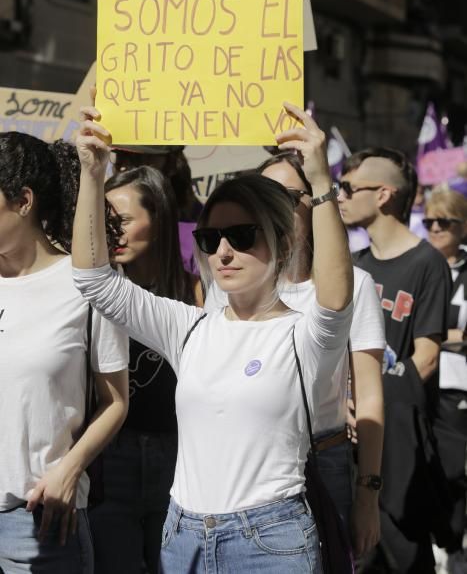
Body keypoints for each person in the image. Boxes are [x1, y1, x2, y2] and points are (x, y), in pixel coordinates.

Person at [72, 102, 353, 573]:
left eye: (243, 236)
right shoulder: (190, 328)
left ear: (282, 244)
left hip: (271, 540)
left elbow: (336, 297)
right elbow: (94, 280)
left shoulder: (304, 333)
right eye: (210, 239)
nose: (224, 251)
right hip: (183, 537)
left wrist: (321, 184)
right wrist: (92, 175)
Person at [205, 150, 386, 558]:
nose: (272, 207)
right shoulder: (229, 282)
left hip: (323, 461)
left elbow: (371, 397)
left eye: (286, 195)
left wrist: (367, 496)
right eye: (261, 196)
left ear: (316, 201)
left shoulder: (355, 286)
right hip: (242, 459)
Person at [0, 132, 128, 574]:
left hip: (37, 520)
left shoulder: (88, 287)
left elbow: (116, 401)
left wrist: (70, 471)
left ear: (24, 201)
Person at [338, 146, 452, 573]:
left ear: (383, 194)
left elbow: (425, 360)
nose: (341, 196)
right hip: (352, 436)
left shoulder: (427, 262)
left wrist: (365, 395)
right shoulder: (354, 265)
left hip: (403, 443)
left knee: (403, 557)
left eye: (348, 187)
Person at [89, 166, 202, 574]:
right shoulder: (91, 294)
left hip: (177, 459)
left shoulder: (196, 292)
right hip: (108, 459)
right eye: (105, 222)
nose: (112, 232)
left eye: (122, 220)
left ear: (160, 220)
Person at [424, 190, 467, 572]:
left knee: (452, 469)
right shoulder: (420, 264)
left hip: (458, 386)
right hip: (421, 382)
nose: (435, 229)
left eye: (444, 223)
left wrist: (440, 336)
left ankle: (452, 543)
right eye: (429, 223)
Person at [112, 145, 202, 275]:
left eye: (137, 157)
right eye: (120, 156)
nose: (123, 167)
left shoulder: (198, 232)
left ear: (171, 163)